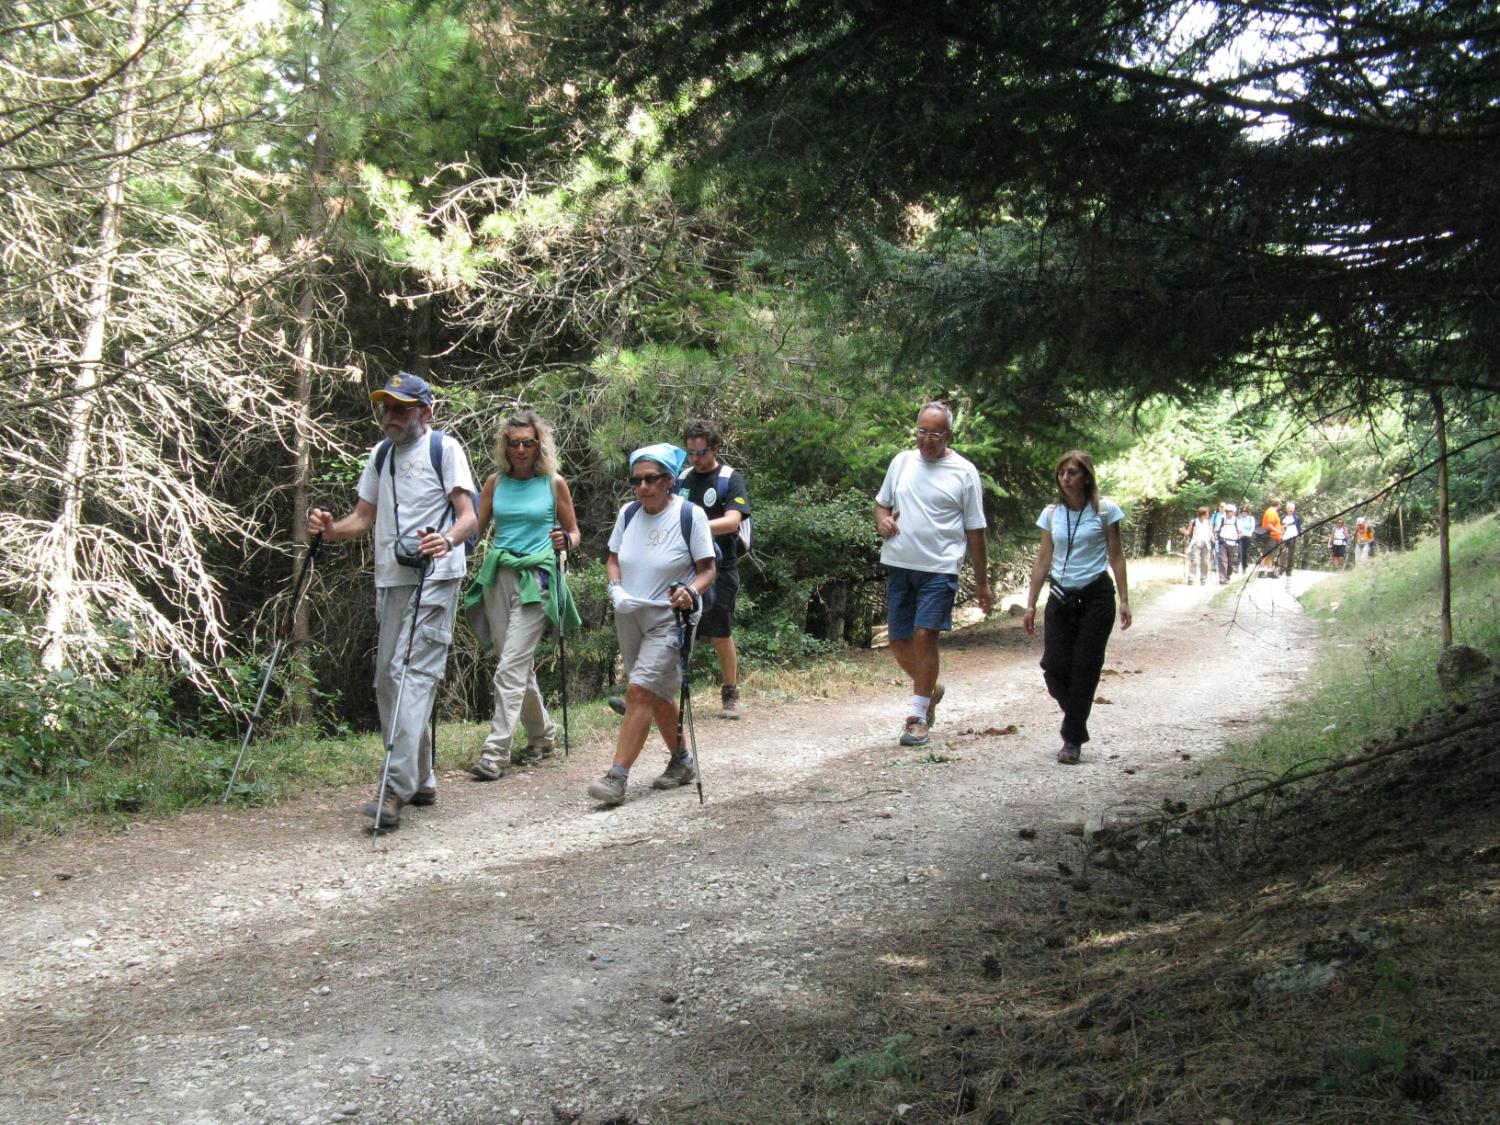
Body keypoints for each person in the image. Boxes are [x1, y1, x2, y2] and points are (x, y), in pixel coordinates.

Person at [308, 372, 478, 830]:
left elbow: (468, 516)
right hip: (392, 578)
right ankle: (421, 779)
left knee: (411, 672)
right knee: (389, 678)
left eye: (402, 408)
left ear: (426, 411)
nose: (392, 417)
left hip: (436, 576)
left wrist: (445, 540)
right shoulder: (381, 454)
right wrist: (330, 530)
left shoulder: (445, 449)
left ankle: (394, 787)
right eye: (387, 408)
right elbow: (362, 518)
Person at [588, 444, 716, 807]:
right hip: (629, 613)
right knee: (655, 691)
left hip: (670, 616)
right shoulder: (628, 514)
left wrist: (691, 591)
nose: (643, 487)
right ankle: (682, 762)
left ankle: (617, 778)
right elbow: (613, 559)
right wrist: (614, 588)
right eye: (637, 481)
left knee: (640, 691)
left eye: (651, 479)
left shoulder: (690, 516)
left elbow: (708, 569)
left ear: (669, 480)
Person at [462, 410, 582, 781]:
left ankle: (495, 753)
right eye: (513, 443)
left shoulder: (553, 483)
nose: (520, 449)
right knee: (514, 665)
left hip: (539, 580)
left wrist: (566, 541)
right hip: (499, 578)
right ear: (504, 445)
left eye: (528, 442)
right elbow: (475, 530)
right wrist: (446, 549)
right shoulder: (495, 483)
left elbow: (574, 533)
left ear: (539, 444)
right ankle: (542, 736)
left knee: (510, 666)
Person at [874, 402, 991, 747]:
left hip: (940, 569)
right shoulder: (901, 462)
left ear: (948, 435)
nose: (926, 440)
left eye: (934, 434)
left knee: (925, 635)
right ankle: (931, 689)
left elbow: (975, 529)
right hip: (900, 564)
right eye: (921, 431)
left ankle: (917, 716)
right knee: (898, 641)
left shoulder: (964, 472)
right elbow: (881, 503)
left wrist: (982, 582)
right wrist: (882, 520)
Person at [1023, 450, 1131, 765]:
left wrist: (1124, 599)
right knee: (1054, 666)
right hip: (1060, 596)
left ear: (1086, 476)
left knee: (1085, 666)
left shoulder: (1105, 511)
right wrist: (1030, 603)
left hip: (1095, 596)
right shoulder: (1051, 514)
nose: (1065, 478)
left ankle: (1072, 740)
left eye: (1072, 472)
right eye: (1061, 473)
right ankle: (1077, 717)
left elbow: (1117, 556)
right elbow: (1043, 558)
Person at [677, 419, 752, 719]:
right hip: (685, 565)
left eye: (702, 452)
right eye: (691, 452)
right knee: (673, 629)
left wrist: (697, 527)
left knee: (719, 630)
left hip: (722, 565)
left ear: (715, 447)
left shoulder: (729, 479)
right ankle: (660, 692)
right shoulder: (682, 479)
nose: (696, 458)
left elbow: (733, 521)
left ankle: (730, 693)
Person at [1185, 506, 1214, 585]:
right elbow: (1188, 532)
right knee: (1195, 561)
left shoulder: (1209, 522)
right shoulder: (1194, 521)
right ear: (1202, 514)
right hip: (1196, 542)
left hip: (1206, 543)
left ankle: (1203, 579)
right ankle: (1191, 578)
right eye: (1207, 513)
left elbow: (1210, 532)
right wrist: (1184, 531)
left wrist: (1213, 539)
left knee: (1205, 562)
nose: (1208, 515)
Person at [1216, 502, 1241, 584]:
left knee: (1230, 562)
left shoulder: (1237, 520)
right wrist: (1217, 536)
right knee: (1222, 560)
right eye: (1226, 511)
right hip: (1223, 542)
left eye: (1229, 511)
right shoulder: (1222, 519)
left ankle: (1227, 576)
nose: (1227, 513)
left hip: (1233, 543)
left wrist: (1239, 537)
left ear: (1233, 512)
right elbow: (1217, 529)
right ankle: (1222, 578)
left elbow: (1241, 532)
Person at [1278, 500, 1302, 575]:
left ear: (1294, 509)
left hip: (1293, 537)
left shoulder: (1297, 518)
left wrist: (1298, 535)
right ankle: (1282, 569)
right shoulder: (1282, 517)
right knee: (1283, 553)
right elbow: (1279, 527)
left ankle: (1289, 570)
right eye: (1289, 508)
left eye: (1291, 509)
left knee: (1291, 554)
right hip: (1284, 537)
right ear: (1286, 509)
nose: (1290, 510)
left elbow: (1299, 528)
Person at [1262, 499, 1283, 574]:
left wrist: (1281, 527)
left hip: (1273, 536)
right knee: (1269, 554)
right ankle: (1265, 571)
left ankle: (1267, 571)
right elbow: (1269, 525)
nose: (1280, 506)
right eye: (1280, 504)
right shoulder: (1271, 512)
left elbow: (1274, 524)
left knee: (1270, 554)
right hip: (1271, 536)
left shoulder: (1272, 511)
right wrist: (1278, 531)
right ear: (1278, 505)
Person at [1235, 504, 1257, 573]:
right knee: (1239, 551)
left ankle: (1244, 567)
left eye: (1245, 511)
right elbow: (1239, 527)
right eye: (1242, 511)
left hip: (1247, 536)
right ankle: (1237, 566)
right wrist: (1241, 533)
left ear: (1248, 512)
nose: (1244, 513)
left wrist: (1247, 534)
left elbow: (1252, 528)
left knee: (1245, 552)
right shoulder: (1239, 518)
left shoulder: (1251, 518)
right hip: (1240, 536)